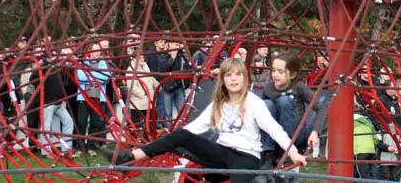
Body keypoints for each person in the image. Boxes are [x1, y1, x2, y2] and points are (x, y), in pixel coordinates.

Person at [101, 57, 307, 183]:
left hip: (245, 158)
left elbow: (274, 130)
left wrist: (294, 152)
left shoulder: (253, 102)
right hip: (221, 153)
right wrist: (173, 139)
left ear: (245, 79)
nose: (234, 79)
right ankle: (129, 158)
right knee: (180, 135)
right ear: (223, 79)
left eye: (238, 75)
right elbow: (193, 129)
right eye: (229, 75)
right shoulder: (219, 103)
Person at [260, 52, 326, 162]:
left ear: (292, 75)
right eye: (274, 71)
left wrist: (315, 132)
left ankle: (286, 150)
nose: (275, 75)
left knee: (284, 101)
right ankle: (268, 152)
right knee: (267, 104)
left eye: (280, 72)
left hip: (295, 134)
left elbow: (320, 108)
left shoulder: (298, 87)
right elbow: (261, 114)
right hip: (275, 133)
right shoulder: (268, 88)